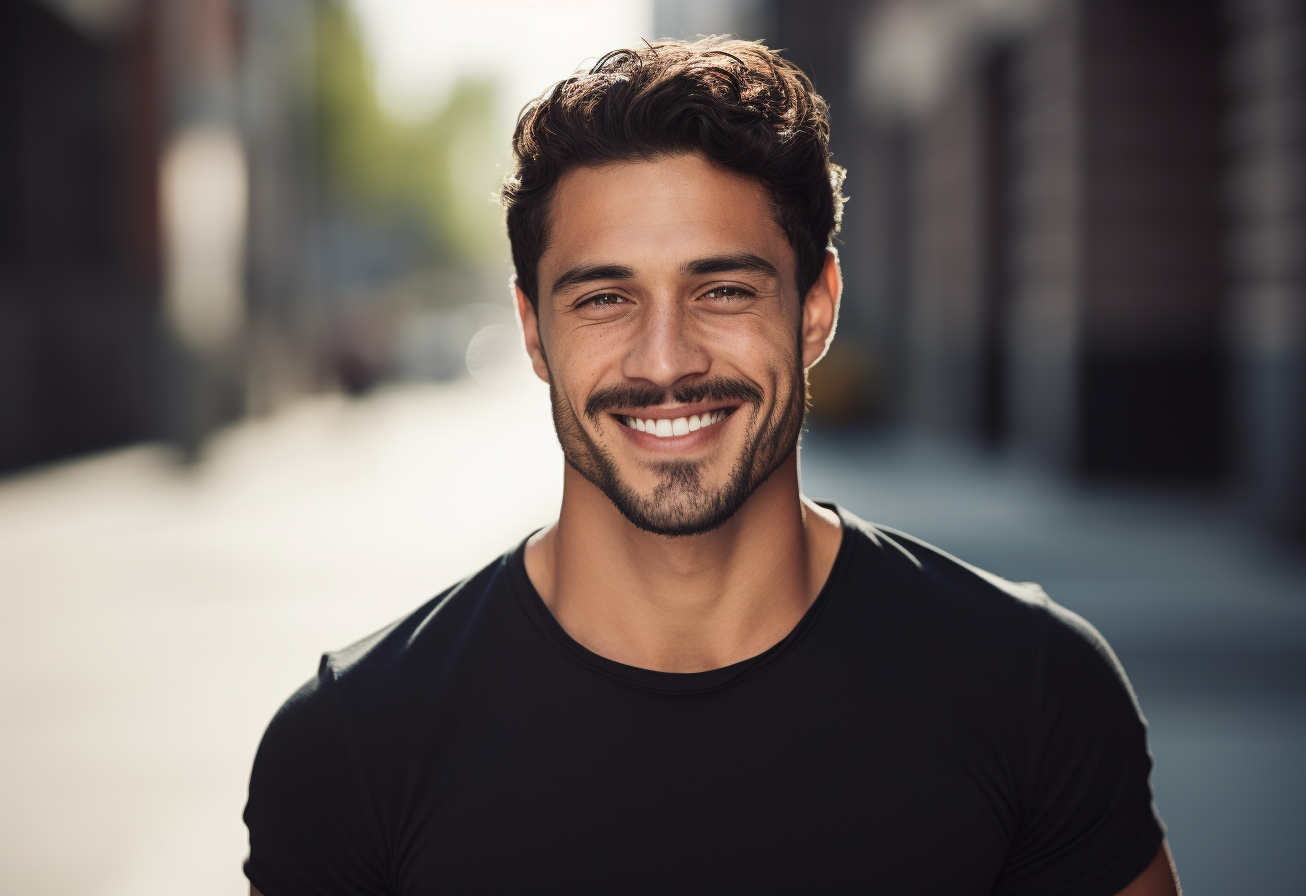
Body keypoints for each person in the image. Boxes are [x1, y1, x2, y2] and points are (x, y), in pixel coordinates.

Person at [243, 38, 1179, 895]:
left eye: (723, 289)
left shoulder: (1032, 690)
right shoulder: (353, 742)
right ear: (533, 331)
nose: (665, 361)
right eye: (605, 298)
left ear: (816, 309)